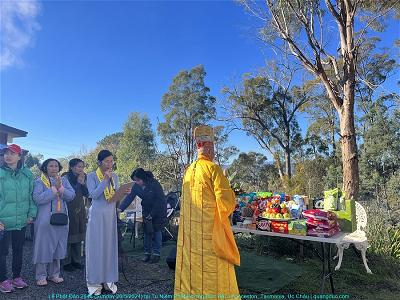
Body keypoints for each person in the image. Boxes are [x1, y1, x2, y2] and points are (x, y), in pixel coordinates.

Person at [174, 125, 241, 299]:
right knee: (215, 276)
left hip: (191, 237)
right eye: (212, 147)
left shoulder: (188, 171)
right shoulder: (214, 169)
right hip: (211, 237)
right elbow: (226, 203)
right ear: (205, 146)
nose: (214, 151)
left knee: (192, 272)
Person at [85, 150, 129, 296]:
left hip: (110, 215)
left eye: (111, 161)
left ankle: (108, 280)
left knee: (109, 247)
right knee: (96, 248)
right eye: (107, 161)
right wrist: (104, 180)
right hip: (97, 216)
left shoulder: (114, 176)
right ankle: (94, 282)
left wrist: (122, 192)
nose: (110, 164)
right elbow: (94, 195)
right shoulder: (91, 176)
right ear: (99, 162)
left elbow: (113, 197)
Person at [0, 144, 37, 293]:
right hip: (2, 222)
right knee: (2, 252)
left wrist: (31, 214)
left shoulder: (27, 174)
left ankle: (17, 277)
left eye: (12, 153)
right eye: (5, 153)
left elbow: (31, 197)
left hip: (21, 220)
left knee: (18, 249)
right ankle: (2, 280)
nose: (8, 156)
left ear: (19, 156)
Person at [33, 158, 75, 286]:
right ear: (45, 167)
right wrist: (53, 190)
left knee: (58, 245)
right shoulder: (39, 182)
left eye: (56, 166)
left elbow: (71, 195)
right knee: (43, 246)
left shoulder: (64, 181)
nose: (54, 168)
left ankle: (54, 274)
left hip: (61, 217)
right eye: (50, 166)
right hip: (45, 219)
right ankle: (41, 275)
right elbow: (38, 198)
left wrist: (61, 188)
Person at [119, 168, 167, 263]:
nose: (136, 182)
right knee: (147, 232)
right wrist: (120, 208)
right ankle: (147, 253)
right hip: (146, 209)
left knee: (156, 231)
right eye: (135, 180)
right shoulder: (136, 186)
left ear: (143, 178)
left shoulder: (154, 184)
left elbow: (159, 201)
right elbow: (129, 197)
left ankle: (156, 254)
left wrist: (152, 214)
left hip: (158, 210)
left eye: (138, 180)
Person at [62, 158, 88, 271]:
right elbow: (70, 194)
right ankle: (66, 262)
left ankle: (76, 260)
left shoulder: (84, 176)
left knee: (79, 233)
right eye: (78, 166)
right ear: (71, 167)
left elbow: (87, 193)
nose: (80, 169)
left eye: (82, 167)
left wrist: (82, 184)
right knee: (68, 234)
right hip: (69, 207)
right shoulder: (65, 177)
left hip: (80, 207)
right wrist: (78, 183)